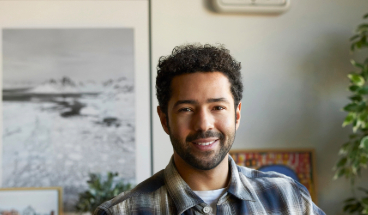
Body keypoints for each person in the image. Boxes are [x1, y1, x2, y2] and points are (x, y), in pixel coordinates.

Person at [94, 44, 325, 215]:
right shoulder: (120, 212)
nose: (204, 124)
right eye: (186, 109)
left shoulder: (288, 198)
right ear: (164, 119)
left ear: (236, 114)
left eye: (217, 107)